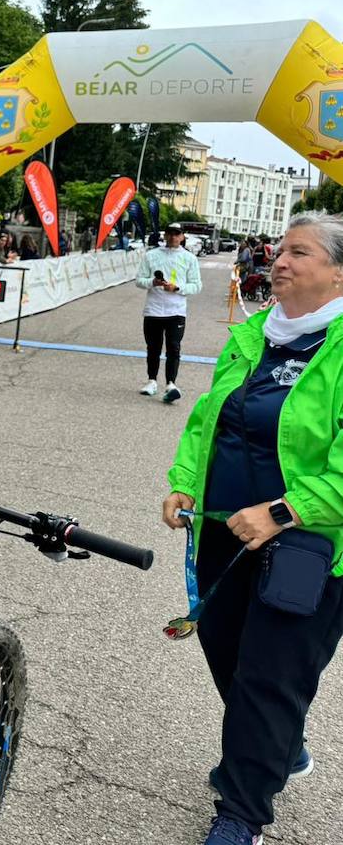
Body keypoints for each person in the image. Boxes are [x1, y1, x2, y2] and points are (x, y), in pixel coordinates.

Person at [162, 211, 343, 845]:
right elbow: (209, 419)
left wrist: (283, 512)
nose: (280, 260)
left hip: (307, 548)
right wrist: (185, 479)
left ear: (339, 273)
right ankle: (277, 745)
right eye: (281, 251)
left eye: (299, 253)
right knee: (227, 654)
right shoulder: (256, 333)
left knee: (269, 677)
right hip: (222, 532)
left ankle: (241, 815)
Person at [135, 222, 202, 404]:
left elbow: (196, 285)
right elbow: (139, 280)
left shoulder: (189, 258)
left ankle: (171, 384)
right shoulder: (151, 255)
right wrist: (153, 283)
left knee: (174, 348)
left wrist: (177, 287)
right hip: (153, 310)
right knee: (153, 348)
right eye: (170, 233)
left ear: (182, 237)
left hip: (176, 310)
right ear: (165, 236)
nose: (173, 237)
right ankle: (151, 381)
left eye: (177, 234)